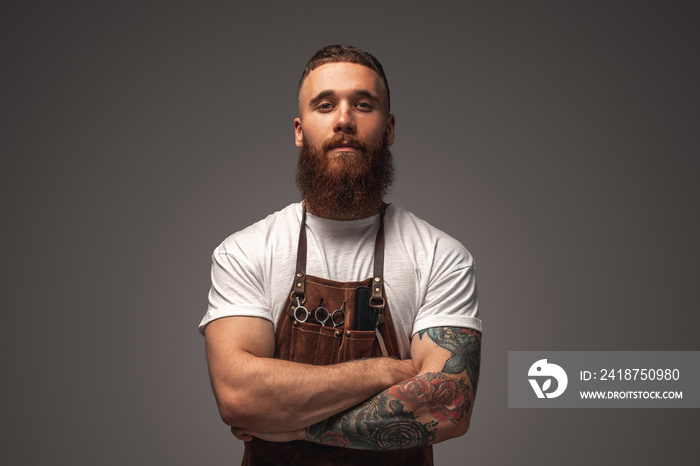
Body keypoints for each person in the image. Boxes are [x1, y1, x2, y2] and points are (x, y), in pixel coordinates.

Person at [200, 45, 482, 466]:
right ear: (300, 130)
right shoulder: (246, 251)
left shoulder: (441, 255)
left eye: (362, 104)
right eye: (325, 104)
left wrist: (296, 427)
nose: (344, 119)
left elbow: (447, 405)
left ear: (388, 130)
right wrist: (386, 372)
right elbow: (240, 397)